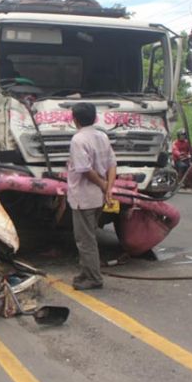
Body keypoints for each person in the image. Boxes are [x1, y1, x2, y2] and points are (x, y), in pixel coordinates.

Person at [67, 102, 117, 291]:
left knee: (85, 239)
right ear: (95, 118)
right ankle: (86, 272)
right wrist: (109, 188)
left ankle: (94, 278)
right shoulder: (102, 136)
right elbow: (112, 163)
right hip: (98, 197)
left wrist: (104, 185)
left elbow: (85, 170)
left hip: (83, 197)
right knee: (89, 235)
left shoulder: (78, 140)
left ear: (75, 119)